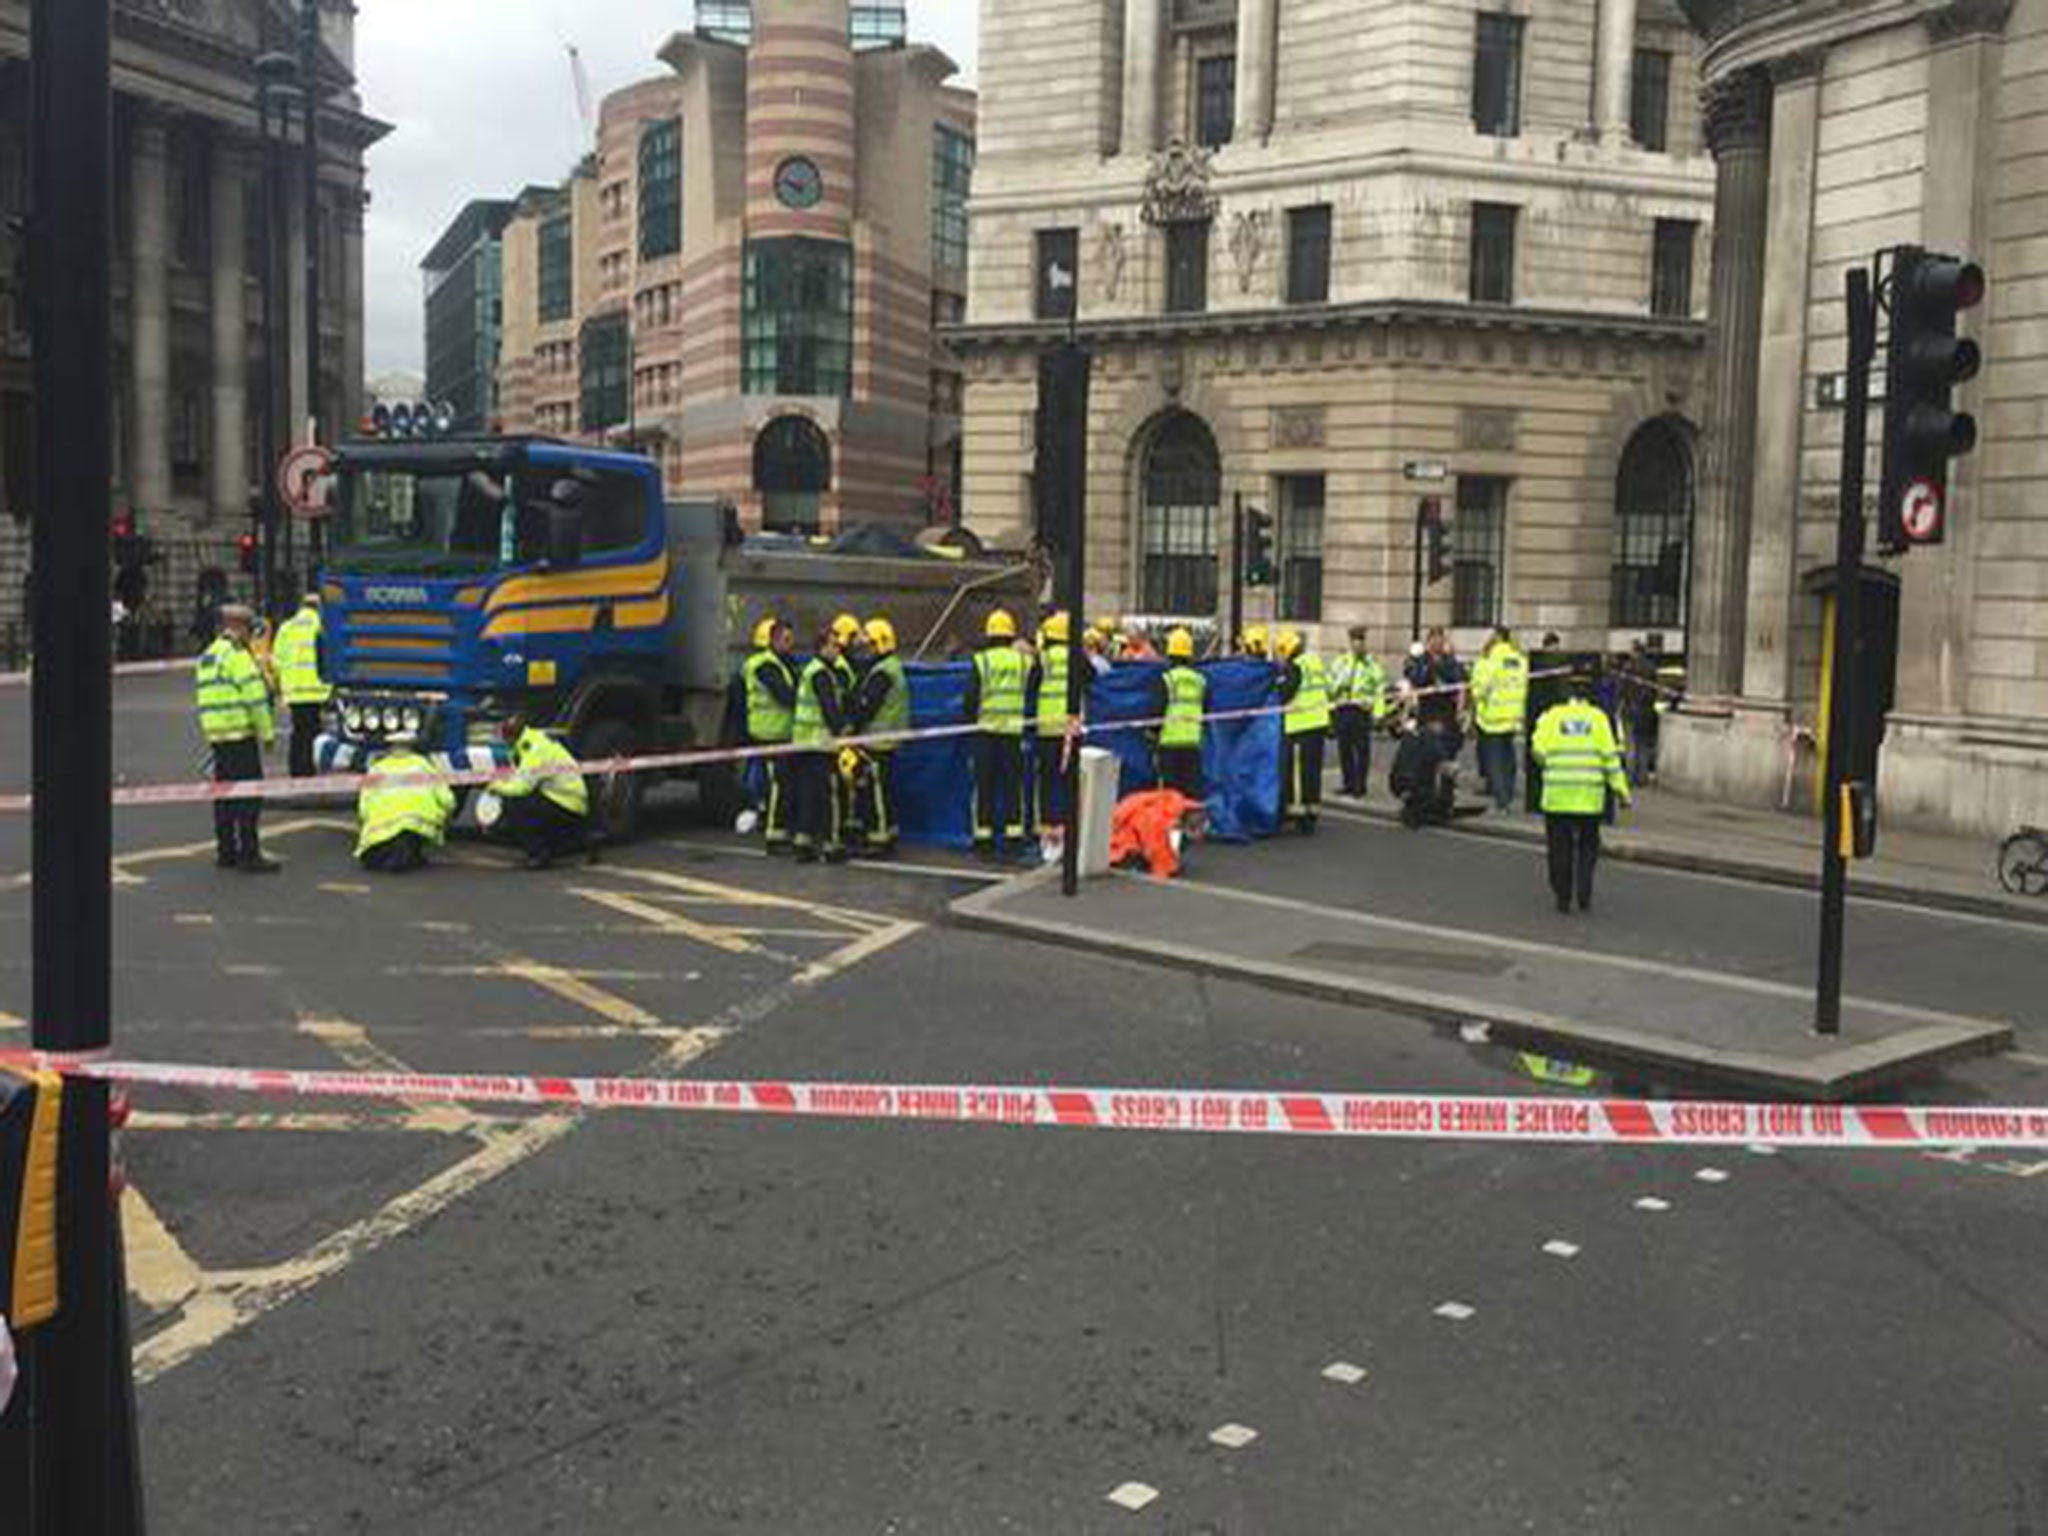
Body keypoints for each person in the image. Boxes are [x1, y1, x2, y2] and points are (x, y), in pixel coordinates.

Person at [1532, 668, 1632, 914]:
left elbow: (1538, 751)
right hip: (1589, 798)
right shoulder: (1598, 720)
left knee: (1559, 848)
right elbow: (1610, 758)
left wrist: (1553, 764)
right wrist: (1622, 792)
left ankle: (1563, 895)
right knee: (1588, 846)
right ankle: (1584, 890)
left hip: (1557, 797)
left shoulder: (1552, 717)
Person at [194, 604, 280, 873]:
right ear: (238, 627)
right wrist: (267, 733)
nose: (249, 634)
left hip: (218, 737)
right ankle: (249, 854)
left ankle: (226, 851)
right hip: (240, 736)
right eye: (247, 628)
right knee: (249, 797)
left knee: (224, 797)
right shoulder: (237, 656)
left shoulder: (208, 655)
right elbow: (254, 698)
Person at [961, 608, 1029, 859]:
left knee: (984, 787)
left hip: (985, 732)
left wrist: (969, 725)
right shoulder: (1023, 661)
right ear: (1011, 635)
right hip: (1013, 733)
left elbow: (970, 699)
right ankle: (1014, 840)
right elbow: (1032, 689)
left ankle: (984, 841)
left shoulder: (981, 661)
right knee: (1013, 788)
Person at [493, 716, 592, 869]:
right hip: (564, 797)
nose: (503, 743)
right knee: (522, 800)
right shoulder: (530, 739)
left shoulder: (534, 749)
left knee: (513, 803)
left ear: (511, 737)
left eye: (504, 739)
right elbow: (519, 776)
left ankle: (538, 854)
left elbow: (522, 788)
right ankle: (565, 843)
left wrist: (495, 787)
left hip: (567, 801)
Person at [790, 624, 849, 863]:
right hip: (820, 744)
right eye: (834, 645)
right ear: (822, 647)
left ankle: (803, 843)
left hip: (804, 743)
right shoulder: (822, 674)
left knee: (808, 794)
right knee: (829, 795)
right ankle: (831, 844)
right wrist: (844, 730)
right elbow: (829, 709)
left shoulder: (812, 670)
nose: (838, 650)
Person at [850, 615, 908, 855]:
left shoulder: (883, 672)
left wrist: (851, 722)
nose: (867, 651)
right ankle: (888, 832)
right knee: (883, 790)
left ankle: (879, 839)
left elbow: (868, 706)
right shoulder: (892, 667)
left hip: (877, 740)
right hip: (886, 739)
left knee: (876, 793)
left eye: (870, 645)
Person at [355, 736, 456, 874]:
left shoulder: (376, 769)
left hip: (377, 835)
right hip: (417, 826)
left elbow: (363, 809)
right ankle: (411, 853)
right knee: (412, 834)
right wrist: (446, 819)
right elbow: (447, 800)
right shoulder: (423, 765)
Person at [740, 617, 798, 852]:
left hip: (778, 732)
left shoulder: (781, 662)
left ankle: (774, 824)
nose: (790, 644)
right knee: (778, 785)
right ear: (772, 640)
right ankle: (775, 835)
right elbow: (786, 696)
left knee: (774, 784)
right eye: (786, 639)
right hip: (770, 733)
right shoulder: (765, 665)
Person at [1274, 628, 1330, 834]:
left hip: (1300, 725)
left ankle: (1297, 814)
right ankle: (1312, 811)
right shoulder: (1315, 662)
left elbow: (1285, 694)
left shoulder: (1295, 667)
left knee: (1297, 773)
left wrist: (1277, 683)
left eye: (1281, 652)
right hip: (1318, 722)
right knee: (1313, 771)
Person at [1469, 625, 1529, 813]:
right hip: (1513, 715)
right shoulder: (1520, 659)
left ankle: (1502, 802)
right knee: (1509, 758)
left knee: (1494, 761)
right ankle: (1509, 794)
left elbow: (1480, 687)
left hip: (1492, 716)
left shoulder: (1488, 658)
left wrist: (1477, 700)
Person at [272, 592, 330, 780]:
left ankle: (297, 770)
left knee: (298, 732)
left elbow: (276, 660)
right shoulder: (323, 626)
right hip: (318, 690)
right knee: (315, 733)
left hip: (294, 692)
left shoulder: (286, 627)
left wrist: (279, 687)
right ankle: (312, 770)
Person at [1328, 626, 1387, 799]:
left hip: (1361, 711)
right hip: (1343, 709)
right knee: (1344, 749)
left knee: (1362, 750)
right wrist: (1339, 685)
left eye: (1360, 641)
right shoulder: (1341, 662)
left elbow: (1380, 689)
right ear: (1350, 642)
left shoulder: (1371, 664)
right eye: (1354, 641)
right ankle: (1348, 783)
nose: (1357, 644)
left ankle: (1360, 786)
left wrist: (1379, 713)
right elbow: (1330, 686)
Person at [1030, 611, 1076, 832]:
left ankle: (1048, 825)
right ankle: (1069, 825)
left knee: (1048, 781)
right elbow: (1092, 676)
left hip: (1046, 728)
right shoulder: (1076, 657)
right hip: (1070, 730)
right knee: (1070, 781)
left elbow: (1032, 689)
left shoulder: (1043, 658)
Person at [1155, 625, 1207, 800]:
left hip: (1169, 743)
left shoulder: (1167, 679)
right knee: (1191, 793)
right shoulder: (1200, 680)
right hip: (1193, 743)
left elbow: (1158, 710)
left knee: (1170, 794)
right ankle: (1190, 826)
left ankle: (1173, 826)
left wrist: (1153, 733)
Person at [1110, 788, 1207, 879]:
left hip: (1134, 830)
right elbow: (1157, 854)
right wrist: (1163, 870)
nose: (1200, 834)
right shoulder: (1160, 822)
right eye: (1194, 828)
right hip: (1127, 840)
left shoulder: (1173, 805)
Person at [1523, 631, 1567, 813]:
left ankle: (1535, 801)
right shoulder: (1560, 664)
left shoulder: (1536, 663)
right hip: (1553, 717)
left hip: (1537, 716)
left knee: (1537, 760)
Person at [1405, 627, 1466, 758]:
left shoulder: (1450, 661)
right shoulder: (1422, 661)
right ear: (1429, 641)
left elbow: (1460, 683)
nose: (1437, 643)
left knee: (1447, 748)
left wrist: (1460, 709)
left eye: (1440, 639)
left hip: (1446, 710)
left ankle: (1447, 773)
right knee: (1427, 748)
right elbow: (1414, 680)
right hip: (1427, 710)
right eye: (1434, 639)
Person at [1389, 716, 1458, 829]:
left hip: (1396, 782)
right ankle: (1430, 809)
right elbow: (1446, 764)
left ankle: (1411, 804)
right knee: (1448, 770)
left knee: (1423, 769)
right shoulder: (1433, 740)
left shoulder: (1410, 736)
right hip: (1416, 785)